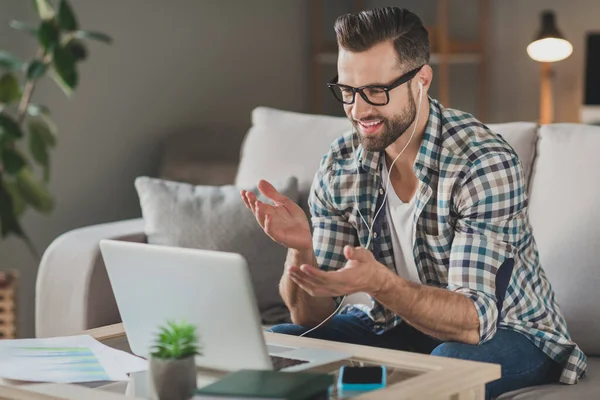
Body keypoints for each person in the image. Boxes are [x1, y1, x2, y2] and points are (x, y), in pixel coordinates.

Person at [240, 7, 586, 399]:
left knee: (449, 361)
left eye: (376, 91)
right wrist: (300, 248)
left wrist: (381, 284)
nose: (358, 110)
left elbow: (473, 323)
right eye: (347, 91)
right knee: (283, 343)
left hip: (511, 332)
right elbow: (309, 316)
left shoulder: (481, 162)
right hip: (393, 325)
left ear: (421, 80)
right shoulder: (340, 163)